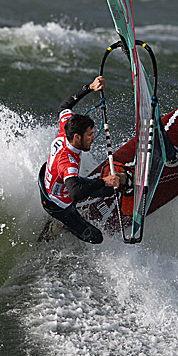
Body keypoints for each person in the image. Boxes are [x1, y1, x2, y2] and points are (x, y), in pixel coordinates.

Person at [39, 76, 126, 244]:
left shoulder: (66, 128)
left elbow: (65, 106)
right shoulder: (68, 162)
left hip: (53, 182)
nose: (93, 138)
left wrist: (89, 87)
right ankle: (58, 225)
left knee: (110, 190)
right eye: (90, 135)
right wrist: (104, 181)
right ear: (77, 137)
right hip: (57, 204)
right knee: (96, 237)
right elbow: (76, 193)